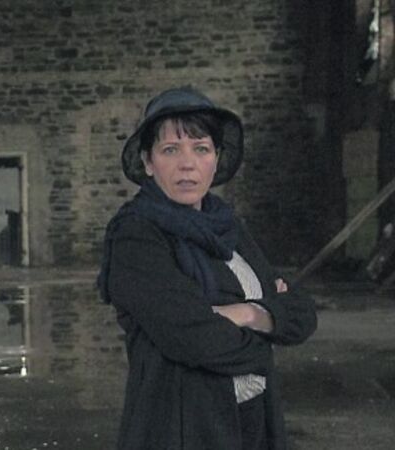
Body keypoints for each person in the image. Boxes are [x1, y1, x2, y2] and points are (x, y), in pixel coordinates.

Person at [98, 87, 317, 449]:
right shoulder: (135, 236)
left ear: (216, 159)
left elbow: (302, 313)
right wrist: (268, 326)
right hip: (182, 428)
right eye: (171, 150)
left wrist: (245, 313)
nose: (187, 164)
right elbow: (193, 338)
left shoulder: (229, 228)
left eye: (201, 148)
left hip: (254, 423)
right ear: (148, 162)